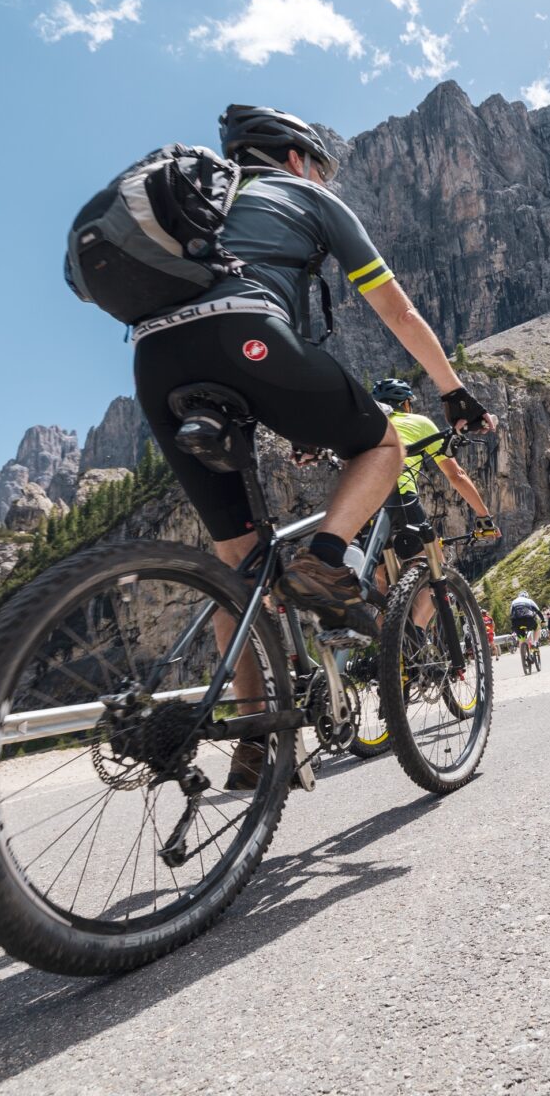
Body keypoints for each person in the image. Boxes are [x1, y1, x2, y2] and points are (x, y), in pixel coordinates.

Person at [131, 104, 496, 789]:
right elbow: (398, 311)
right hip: (246, 335)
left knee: (235, 571)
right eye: (322, 167)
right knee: (384, 443)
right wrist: (453, 391)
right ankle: (325, 560)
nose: (324, 179)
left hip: (155, 361)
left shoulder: (200, 206)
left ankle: (253, 740)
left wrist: (299, 425)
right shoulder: (305, 196)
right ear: (297, 158)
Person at [365, 377, 499, 627]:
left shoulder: (364, 424)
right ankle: (415, 633)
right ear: (405, 404)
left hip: (362, 507)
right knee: (434, 568)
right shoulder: (417, 422)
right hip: (399, 499)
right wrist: (483, 516)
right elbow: (455, 475)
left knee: (383, 583)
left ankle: (389, 657)